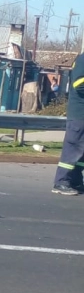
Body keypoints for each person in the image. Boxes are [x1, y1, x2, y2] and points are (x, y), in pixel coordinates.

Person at [52, 54, 84, 195]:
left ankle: (75, 181)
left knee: (82, 152)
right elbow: (79, 84)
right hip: (79, 114)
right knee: (73, 148)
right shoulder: (83, 59)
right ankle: (61, 182)